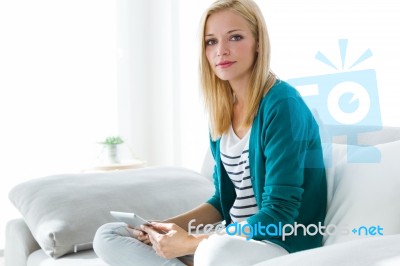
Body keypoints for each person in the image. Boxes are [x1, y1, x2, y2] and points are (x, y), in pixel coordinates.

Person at [93, 0, 327, 265]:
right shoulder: (222, 110)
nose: (221, 51)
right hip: (229, 240)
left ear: (258, 42)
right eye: (211, 41)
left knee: (216, 252)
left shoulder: (283, 105)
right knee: (110, 234)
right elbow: (222, 200)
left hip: (277, 244)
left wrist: (194, 243)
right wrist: (160, 228)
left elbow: (279, 213)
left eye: (235, 37)